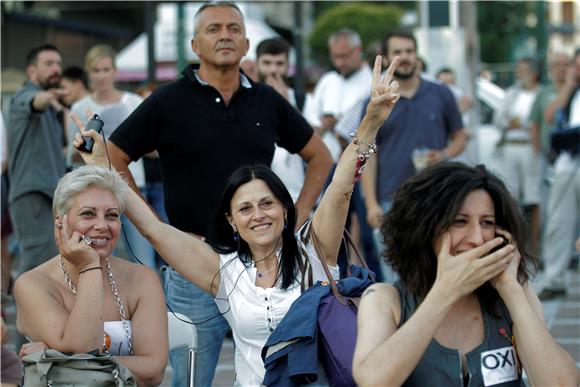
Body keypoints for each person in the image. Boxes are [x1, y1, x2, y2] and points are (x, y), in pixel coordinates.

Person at [75, 53, 400, 386]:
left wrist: (370, 124)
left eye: (267, 204)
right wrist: (104, 167)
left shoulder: (314, 253)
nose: (258, 215)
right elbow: (153, 230)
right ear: (231, 221)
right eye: (245, 209)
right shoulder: (226, 272)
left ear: (285, 210)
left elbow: (341, 189)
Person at [106, 2, 333, 386]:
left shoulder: (267, 101)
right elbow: (113, 157)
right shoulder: (167, 101)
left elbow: (320, 157)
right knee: (190, 379)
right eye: (213, 29)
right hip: (194, 264)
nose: (224, 35)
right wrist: (160, 228)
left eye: (233, 28)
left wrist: (298, 212)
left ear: (246, 43)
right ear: (195, 44)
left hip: (263, 264)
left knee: (278, 373)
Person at [352, 161, 579, 386]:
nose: (477, 238)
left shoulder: (514, 293)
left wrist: (510, 289)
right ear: (424, 228)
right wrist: (445, 291)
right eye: (460, 222)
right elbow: (373, 381)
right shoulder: (384, 299)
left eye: (487, 223)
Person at [14, 165, 168, 386]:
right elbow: (81, 346)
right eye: (88, 214)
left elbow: (153, 372)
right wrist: (89, 267)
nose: (102, 225)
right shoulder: (33, 284)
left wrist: (62, 358)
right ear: (60, 220)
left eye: (112, 215)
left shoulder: (142, 279)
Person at [354, 30, 466, 282]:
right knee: (397, 281)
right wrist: (371, 204)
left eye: (409, 51)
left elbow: (460, 138)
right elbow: (368, 156)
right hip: (390, 202)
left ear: (416, 55)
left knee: (438, 276)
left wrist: (445, 153)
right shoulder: (376, 102)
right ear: (388, 57)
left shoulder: (441, 94)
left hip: (436, 199)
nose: (404, 57)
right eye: (398, 52)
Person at [65, 45, 157, 270]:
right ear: (89, 73)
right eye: (96, 70)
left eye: (106, 69)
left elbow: (154, 149)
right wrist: (89, 149)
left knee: (144, 259)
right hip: (95, 192)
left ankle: (150, 303)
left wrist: (122, 149)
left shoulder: (133, 102)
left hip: (131, 188)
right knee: (96, 259)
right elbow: (72, 156)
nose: (102, 75)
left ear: (115, 72)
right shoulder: (79, 107)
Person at [7, 44, 67, 278]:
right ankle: (24, 315)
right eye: (49, 64)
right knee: (36, 269)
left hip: (50, 197)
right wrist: (47, 98)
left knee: (50, 268)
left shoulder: (53, 110)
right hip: (32, 196)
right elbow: (35, 100)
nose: (56, 69)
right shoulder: (25, 96)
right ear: (31, 71)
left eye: (58, 64)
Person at [538, 49, 580, 300]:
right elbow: (552, 117)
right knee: (558, 223)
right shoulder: (571, 93)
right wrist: (569, 85)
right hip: (568, 164)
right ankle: (554, 279)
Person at [493, 58, 541, 248]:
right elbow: (499, 119)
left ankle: (535, 245)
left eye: (523, 70)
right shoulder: (512, 93)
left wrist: (526, 125)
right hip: (510, 145)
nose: (519, 74)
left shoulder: (540, 94)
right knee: (510, 194)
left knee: (534, 196)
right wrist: (509, 123)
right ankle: (511, 241)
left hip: (530, 146)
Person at [305, 28, 372, 162]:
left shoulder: (372, 83)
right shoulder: (327, 81)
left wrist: (342, 127)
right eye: (335, 56)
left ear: (358, 50)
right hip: (324, 163)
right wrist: (324, 123)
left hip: (358, 164)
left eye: (344, 56)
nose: (340, 62)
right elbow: (310, 124)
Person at [256, 37, 306, 202]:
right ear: (257, 64)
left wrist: (288, 104)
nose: (273, 70)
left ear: (287, 66)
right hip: (257, 194)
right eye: (267, 63)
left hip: (294, 194)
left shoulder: (301, 100)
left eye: (279, 64)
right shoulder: (245, 100)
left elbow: (315, 141)